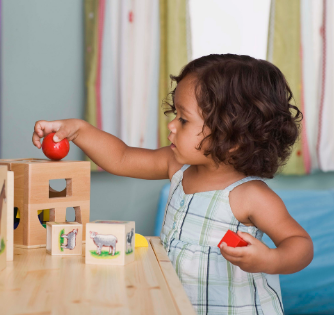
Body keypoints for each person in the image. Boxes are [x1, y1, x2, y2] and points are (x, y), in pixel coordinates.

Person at [32, 54, 313, 315]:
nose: (171, 125)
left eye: (184, 119)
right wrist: (79, 130)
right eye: (175, 114)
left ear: (233, 135)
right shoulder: (177, 167)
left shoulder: (250, 196)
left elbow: (299, 244)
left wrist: (270, 260)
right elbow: (121, 157)